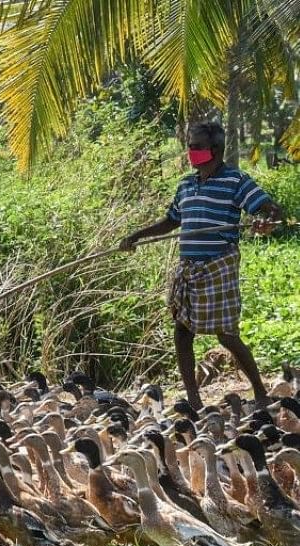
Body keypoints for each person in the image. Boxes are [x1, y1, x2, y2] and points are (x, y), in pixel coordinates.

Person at [120, 122, 282, 410]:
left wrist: (265, 222)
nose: (190, 151)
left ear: (215, 150)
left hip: (217, 265)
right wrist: (136, 235)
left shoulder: (236, 181)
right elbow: (171, 221)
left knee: (227, 335)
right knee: (182, 331)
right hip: (188, 268)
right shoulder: (186, 183)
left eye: (196, 147)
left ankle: (259, 391)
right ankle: (193, 398)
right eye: (190, 146)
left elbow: (269, 210)